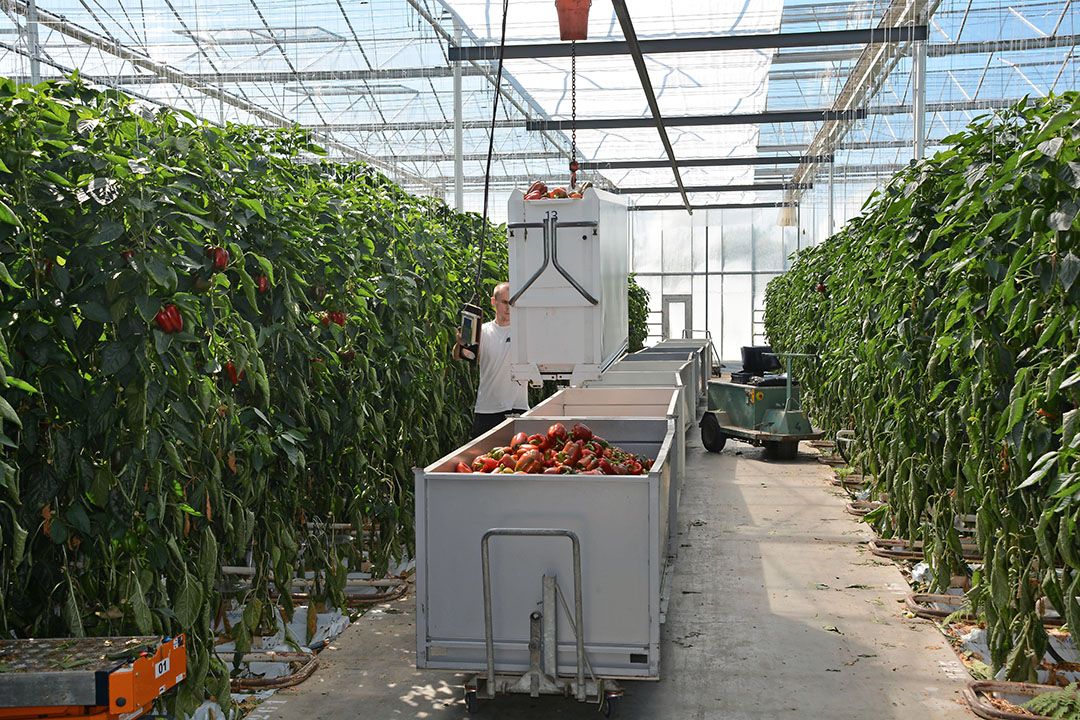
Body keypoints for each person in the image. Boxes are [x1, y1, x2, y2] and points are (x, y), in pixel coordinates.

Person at [454, 282, 529, 437]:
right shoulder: (481, 332)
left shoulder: (524, 332)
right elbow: (458, 356)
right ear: (493, 302)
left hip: (518, 407)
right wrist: (460, 343)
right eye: (504, 302)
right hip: (487, 409)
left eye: (512, 303)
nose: (509, 308)